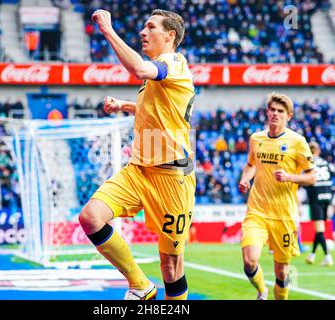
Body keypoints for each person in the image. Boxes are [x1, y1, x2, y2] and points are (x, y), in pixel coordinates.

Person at [78, 9, 195, 300]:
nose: (143, 31)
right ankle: (141, 285)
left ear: (170, 36)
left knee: (171, 265)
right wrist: (124, 105)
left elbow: (140, 69)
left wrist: (107, 28)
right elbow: (158, 110)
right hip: (138, 169)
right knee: (91, 217)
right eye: (143, 26)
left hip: (172, 177)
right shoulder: (157, 75)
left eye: (150, 26)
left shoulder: (174, 63)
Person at [238, 92, 317, 300]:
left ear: (288, 116)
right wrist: (245, 179)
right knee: (249, 261)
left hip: (284, 215)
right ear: (267, 112)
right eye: (272, 110)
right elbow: (250, 165)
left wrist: (290, 176)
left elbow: (312, 177)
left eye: (280, 111)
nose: (275, 114)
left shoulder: (297, 142)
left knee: (282, 272)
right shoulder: (256, 138)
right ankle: (262, 291)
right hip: (257, 211)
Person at [304, 142, 335, 266]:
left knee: (319, 229)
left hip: (316, 197)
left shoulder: (307, 163)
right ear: (318, 151)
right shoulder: (326, 163)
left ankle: (327, 256)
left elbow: (301, 179)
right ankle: (312, 254)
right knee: (320, 228)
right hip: (327, 197)